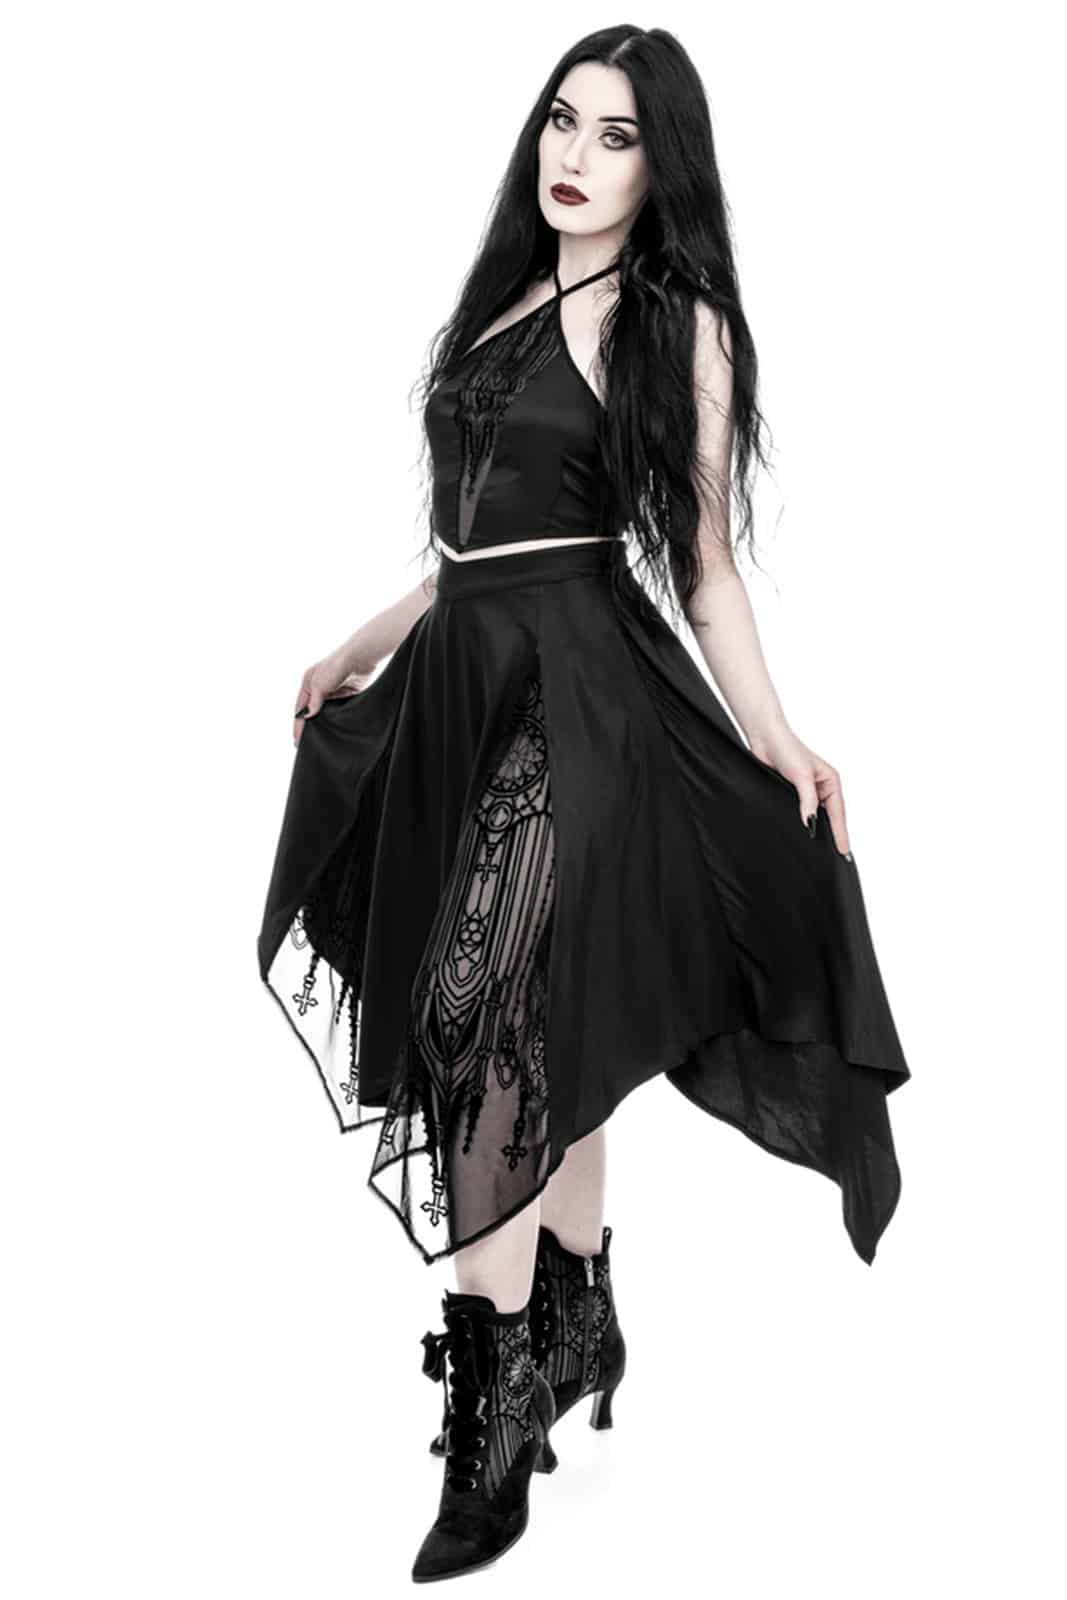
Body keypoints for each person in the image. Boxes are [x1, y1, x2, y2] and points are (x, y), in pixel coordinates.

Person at [256, 24, 911, 1584]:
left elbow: (703, 565)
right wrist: (364, 641)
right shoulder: (503, 297)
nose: (576, 156)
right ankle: (579, 1312)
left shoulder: (676, 324)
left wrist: (778, 732)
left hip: (580, 705)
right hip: (459, 686)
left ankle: (491, 1420)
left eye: (616, 137)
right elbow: (473, 540)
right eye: (564, 121)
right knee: (543, 1026)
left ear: (659, 164)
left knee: (482, 1036)